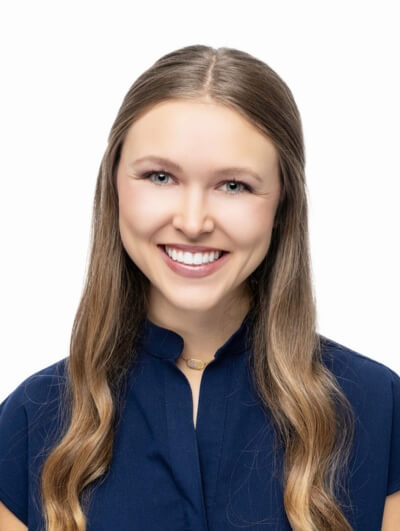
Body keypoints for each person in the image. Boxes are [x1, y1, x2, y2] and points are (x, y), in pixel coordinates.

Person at [0, 44, 399, 531]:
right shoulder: (29, 422)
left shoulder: (379, 407)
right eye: (160, 176)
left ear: (282, 207)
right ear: (115, 188)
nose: (192, 222)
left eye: (234, 185)